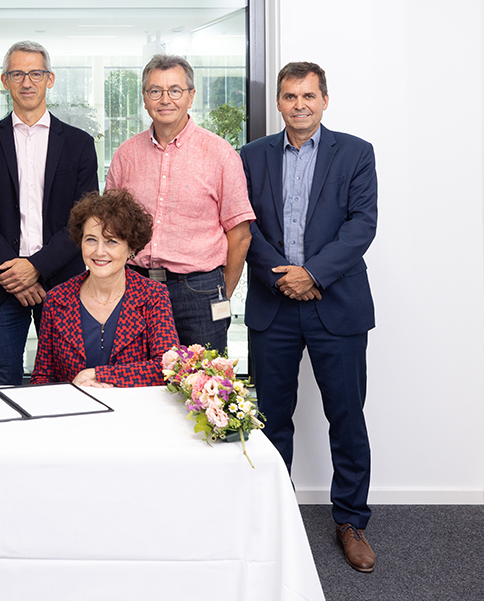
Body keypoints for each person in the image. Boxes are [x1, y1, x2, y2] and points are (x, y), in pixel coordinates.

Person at [241, 62, 378, 572]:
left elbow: (362, 225)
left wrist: (311, 275)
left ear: (324, 100)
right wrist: (282, 275)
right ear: (278, 102)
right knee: (269, 421)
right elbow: (241, 223)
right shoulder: (250, 156)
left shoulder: (357, 154)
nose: (300, 104)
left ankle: (351, 520)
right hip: (272, 306)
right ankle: (273, 516)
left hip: (336, 306)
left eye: (309, 95)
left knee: (345, 417)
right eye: (290, 95)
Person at [0, 40, 99, 385]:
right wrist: (15, 272)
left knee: (68, 380)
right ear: (4, 80)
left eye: (35, 73)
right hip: (3, 282)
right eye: (17, 74)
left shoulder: (79, 143)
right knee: (3, 379)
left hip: (64, 283)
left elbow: (84, 217)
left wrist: (35, 268)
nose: (27, 82)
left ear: (49, 79)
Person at [105, 54, 254, 354]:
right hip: (135, 286)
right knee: (134, 380)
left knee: (203, 387)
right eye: (155, 91)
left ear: (191, 96)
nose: (165, 99)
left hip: (199, 291)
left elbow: (240, 235)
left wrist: (221, 294)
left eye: (175, 90)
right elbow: (111, 229)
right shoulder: (125, 154)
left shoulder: (221, 154)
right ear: (145, 98)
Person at [32, 190, 179, 387]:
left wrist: (98, 375)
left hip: (133, 413)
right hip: (74, 412)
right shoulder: (57, 298)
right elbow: (41, 377)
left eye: (112, 241)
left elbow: (168, 368)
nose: (99, 251)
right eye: (91, 239)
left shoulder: (152, 295)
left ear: (131, 248)